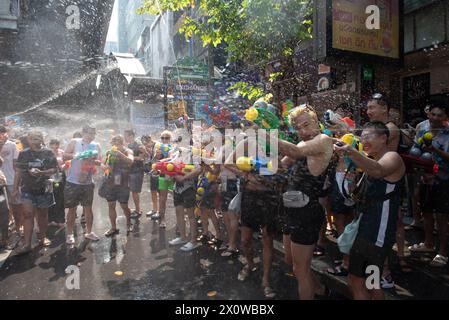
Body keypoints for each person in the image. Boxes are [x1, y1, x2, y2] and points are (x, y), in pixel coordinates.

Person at [335, 121, 405, 300]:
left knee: (359, 280)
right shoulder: (370, 161)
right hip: (368, 229)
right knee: (370, 282)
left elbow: (378, 171)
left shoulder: (392, 157)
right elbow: (352, 195)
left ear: (383, 138)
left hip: (377, 233)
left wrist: (351, 151)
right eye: (362, 137)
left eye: (369, 136)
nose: (364, 141)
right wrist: (344, 166)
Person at [277, 105, 334, 300]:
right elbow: (281, 164)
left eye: (306, 125)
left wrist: (264, 135)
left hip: (307, 210)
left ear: (316, 122)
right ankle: (319, 289)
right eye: (298, 127)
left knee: (300, 269)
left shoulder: (323, 140)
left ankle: (315, 291)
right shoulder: (302, 144)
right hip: (291, 207)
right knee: (290, 260)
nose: (302, 131)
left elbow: (293, 151)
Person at [366, 92, 408, 286]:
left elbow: (368, 142)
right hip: (379, 181)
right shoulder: (379, 128)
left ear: (384, 108)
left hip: (388, 181)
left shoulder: (390, 129)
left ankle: (384, 275)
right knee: (390, 224)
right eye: (367, 108)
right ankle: (397, 260)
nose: (368, 112)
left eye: (372, 107)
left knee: (381, 231)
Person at [408, 100, 449, 267]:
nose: (436, 118)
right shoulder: (423, 130)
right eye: (433, 114)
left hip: (444, 181)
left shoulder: (447, 133)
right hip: (426, 179)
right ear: (428, 114)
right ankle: (429, 243)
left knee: (441, 217)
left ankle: (443, 253)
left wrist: (435, 150)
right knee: (426, 214)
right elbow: (416, 151)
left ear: (445, 116)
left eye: (440, 115)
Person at [13, 131, 58, 255]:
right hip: (27, 189)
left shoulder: (48, 153)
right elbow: (19, 172)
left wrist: (41, 173)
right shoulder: (23, 154)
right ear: (28, 140)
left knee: (42, 215)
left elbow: (54, 170)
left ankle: (42, 238)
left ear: (42, 139)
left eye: (37, 138)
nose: (35, 140)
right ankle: (27, 244)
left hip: (44, 189)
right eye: (32, 138)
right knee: (28, 215)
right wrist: (15, 188)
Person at [64, 125, 102, 245]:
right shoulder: (75, 142)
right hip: (73, 181)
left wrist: (92, 160)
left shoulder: (96, 145)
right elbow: (64, 156)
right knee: (72, 209)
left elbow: (99, 161)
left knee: (88, 208)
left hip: (87, 182)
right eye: (89, 133)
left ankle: (89, 232)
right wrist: (78, 156)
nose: (91, 136)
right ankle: (70, 234)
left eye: (93, 134)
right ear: (83, 133)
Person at [102, 135, 134, 236]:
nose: (116, 145)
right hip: (111, 182)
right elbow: (103, 165)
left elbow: (130, 161)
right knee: (111, 205)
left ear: (122, 143)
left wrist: (119, 154)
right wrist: (104, 167)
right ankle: (113, 227)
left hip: (123, 182)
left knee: (124, 205)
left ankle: (129, 223)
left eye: (118, 143)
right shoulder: (108, 153)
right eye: (114, 143)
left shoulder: (127, 151)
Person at [0, 126, 23, 239]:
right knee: (4, 207)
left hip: (11, 180)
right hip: (1, 182)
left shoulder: (12, 145)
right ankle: (6, 229)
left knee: (17, 205)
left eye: (3, 133)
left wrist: (17, 183)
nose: (2, 135)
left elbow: (16, 165)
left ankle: (18, 226)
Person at [151, 130, 174, 228]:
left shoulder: (173, 148)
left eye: (167, 138)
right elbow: (153, 163)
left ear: (171, 139)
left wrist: (165, 158)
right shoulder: (158, 148)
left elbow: (173, 159)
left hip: (174, 176)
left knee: (177, 198)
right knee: (162, 199)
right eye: (162, 138)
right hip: (163, 176)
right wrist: (156, 156)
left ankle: (183, 217)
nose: (164, 140)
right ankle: (162, 219)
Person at [124, 129, 146, 219]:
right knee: (133, 191)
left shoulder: (138, 145)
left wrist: (128, 157)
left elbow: (142, 158)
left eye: (126, 136)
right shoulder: (129, 145)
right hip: (131, 170)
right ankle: (137, 209)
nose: (125, 138)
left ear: (131, 136)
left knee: (134, 192)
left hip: (137, 171)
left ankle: (138, 210)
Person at [47, 139, 65, 227]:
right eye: (53, 144)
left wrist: (63, 167)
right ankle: (51, 219)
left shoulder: (62, 152)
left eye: (56, 144)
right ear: (50, 145)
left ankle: (60, 219)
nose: (55, 146)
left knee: (59, 198)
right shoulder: (46, 153)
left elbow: (66, 163)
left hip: (59, 178)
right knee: (50, 198)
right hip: (49, 178)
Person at [141, 135, 159, 217]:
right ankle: (155, 209)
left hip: (159, 172)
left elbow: (155, 158)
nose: (145, 145)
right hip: (152, 172)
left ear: (150, 140)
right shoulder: (147, 148)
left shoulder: (157, 146)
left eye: (146, 142)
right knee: (153, 191)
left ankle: (159, 211)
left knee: (161, 193)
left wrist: (149, 152)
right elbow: (147, 160)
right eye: (143, 143)